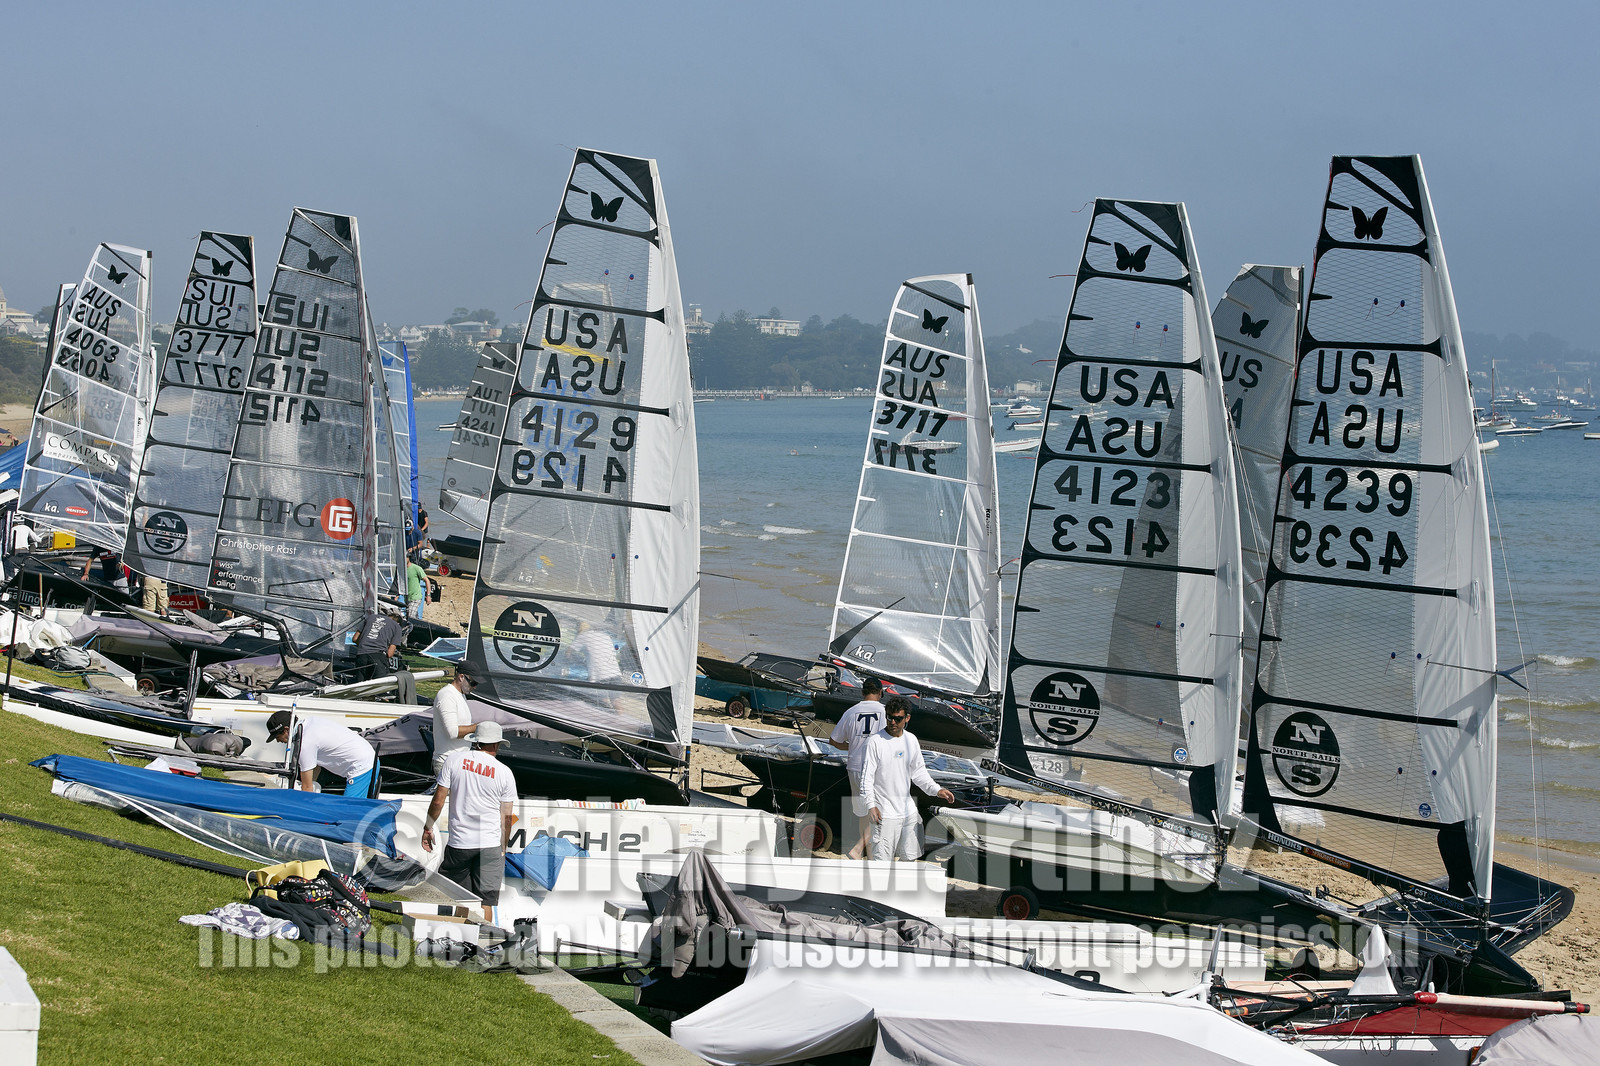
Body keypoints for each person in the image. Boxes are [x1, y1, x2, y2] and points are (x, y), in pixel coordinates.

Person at [422, 720, 517, 907]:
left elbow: (438, 801)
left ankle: (453, 934)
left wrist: (428, 827)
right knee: (486, 903)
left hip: (460, 843)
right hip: (490, 844)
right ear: (496, 744)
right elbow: (506, 818)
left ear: (475, 741)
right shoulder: (505, 772)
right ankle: (485, 934)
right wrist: (503, 847)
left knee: (452, 898)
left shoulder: (454, 761)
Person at [858, 696, 955, 862]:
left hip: (908, 812)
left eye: (898, 718)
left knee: (909, 859)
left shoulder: (911, 740)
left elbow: (919, 773)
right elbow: (866, 779)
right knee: (881, 862)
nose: (893, 722)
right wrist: (871, 806)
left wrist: (937, 790)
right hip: (884, 814)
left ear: (907, 718)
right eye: (889, 717)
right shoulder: (874, 742)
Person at [828, 676, 885, 859]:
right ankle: (859, 849)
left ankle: (866, 854)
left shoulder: (851, 711)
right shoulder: (885, 712)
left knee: (863, 813)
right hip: (874, 768)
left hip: (854, 766)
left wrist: (851, 745)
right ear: (881, 693)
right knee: (880, 811)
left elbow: (834, 740)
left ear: (862, 692)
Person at [267, 710, 379, 798]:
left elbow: (307, 788)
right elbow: (315, 768)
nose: (278, 741)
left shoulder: (305, 743)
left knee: (348, 812)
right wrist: (313, 785)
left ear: (286, 730)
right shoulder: (310, 722)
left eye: (277, 737)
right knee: (358, 809)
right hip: (369, 758)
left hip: (362, 767)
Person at [431, 662, 481, 774]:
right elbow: (452, 732)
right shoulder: (447, 695)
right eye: (473, 682)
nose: (475, 686)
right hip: (447, 763)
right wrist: (477, 727)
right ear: (461, 677)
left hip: (460, 762)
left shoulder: (461, 695)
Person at [354, 605, 406, 681]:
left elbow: (355, 639)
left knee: (360, 686)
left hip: (361, 655)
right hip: (378, 656)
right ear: (398, 623)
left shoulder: (371, 617)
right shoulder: (396, 627)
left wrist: (366, 645)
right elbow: (390, 653)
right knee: (379, 687)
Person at [405, 555, 428, 620]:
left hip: (416, 597)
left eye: (405, 557)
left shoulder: (416, 568)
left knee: (410, 617)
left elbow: (427, 580)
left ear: (409, 558)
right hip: (407, 598)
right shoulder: (402, 569)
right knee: (413, 617)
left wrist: (428, 595)